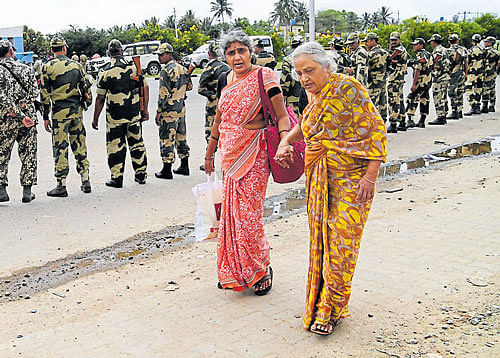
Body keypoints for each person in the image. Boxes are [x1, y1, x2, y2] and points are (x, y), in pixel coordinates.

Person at [275, 42, 387, 335]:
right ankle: (322, 305)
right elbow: (309, 125)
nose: (304, 78)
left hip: (353, 182)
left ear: (326, 66)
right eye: (299, 73)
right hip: (319, 180)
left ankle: (329, 310)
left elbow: (376, 130)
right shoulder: (315, 95)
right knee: (322, 244)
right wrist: (286, 141)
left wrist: (370, 178)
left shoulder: (348, 88)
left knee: (341, 246)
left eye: (309, 70)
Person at [204, 30, 291, 294]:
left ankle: (261, 268)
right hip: (229, 156)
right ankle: (235, 270)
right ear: (225, 57)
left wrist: (286, 142)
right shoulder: (224, 79)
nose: (237, 56)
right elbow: (219, 121)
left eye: (242, 50)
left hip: (254, 153)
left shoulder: (264, 76)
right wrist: (209, 153)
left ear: (251, 52)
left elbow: (282, 116)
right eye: (231, 52)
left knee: (249, 216)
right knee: (230, 216)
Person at [92, 39, 149, 188]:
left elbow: (100, 98)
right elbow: (144, 88)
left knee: (115, 146)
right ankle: (141, 175)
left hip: (114, 117)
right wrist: (145, 109)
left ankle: (117, 178)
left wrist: (95, 119)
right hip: (133, 114)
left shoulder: (105, 70)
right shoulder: (133, 66)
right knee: (137, 143)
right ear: (122, 50)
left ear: (109, 52)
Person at [40, 36, 91, 197]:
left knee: (60, 148)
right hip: (76, 112)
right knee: (79, 144)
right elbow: (86, 91)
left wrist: (45, 116)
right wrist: (85, 104)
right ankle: (85, 180)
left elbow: (44, 95)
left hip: (59, 114)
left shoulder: (47, 67)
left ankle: (61, 185)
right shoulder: (76, 66)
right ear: (65, 48)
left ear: (51, 50)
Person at [0, 40, 39, 203]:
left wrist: (15, 112)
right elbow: (34, 93)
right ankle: (27, 191)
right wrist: (23, 112)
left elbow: (2, 98)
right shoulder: (27, 69)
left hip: (6, 119)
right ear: (11, 51)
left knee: (2, 154)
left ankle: (2, 190)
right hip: (28, 119)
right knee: (28, 153)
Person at [154, 43, 193, 179]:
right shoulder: (182, 69)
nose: (159, 57)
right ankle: (184, 165)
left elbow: (163, 94)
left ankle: (166, 169)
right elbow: (189, 87)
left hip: (169, 110)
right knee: (181, 136)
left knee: (167, 138)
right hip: (180, 108)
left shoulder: (166, 71)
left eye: (161, 54)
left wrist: (159, 111)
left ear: (169, 54)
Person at [198, 42, 230, 145]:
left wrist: (214, 96)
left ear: (209, 53)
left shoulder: (209, 67)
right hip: (227, 105)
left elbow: (200, 89)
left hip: (213, 106)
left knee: (211, 134)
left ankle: (210, 158)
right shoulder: (228, 67)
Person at [405, 38, 433, 128]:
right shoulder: (428, 54)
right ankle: (422, 121)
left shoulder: (420, 55)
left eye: (415, 44)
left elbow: (418, 70)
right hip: (427, 80)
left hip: (420, 81)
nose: (414, 46)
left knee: (411, 98)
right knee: (424, 99)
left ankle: (410, 119)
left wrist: (413, 84)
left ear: (421, 45)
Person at [364, 32, 389, 122]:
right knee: (383, 102)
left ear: (373, 41)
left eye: (367, 41)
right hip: (382, 80)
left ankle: (373, 123)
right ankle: (383, 121)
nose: (366, 44)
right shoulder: (385, 52)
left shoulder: (370, 54)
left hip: (373, 82)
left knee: (372, 103)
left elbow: (366, 67)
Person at [387, 31, 408, 133]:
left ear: (399, 40)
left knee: (393, 100)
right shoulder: (400, 49)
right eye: (391, 40)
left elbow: (389, 59)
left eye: (395, 40)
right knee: (399, 99)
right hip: (398, 77)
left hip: (395, 77)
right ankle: (402, 122)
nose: (393, 42)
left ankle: (393, 123)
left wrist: (389, 56)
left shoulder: (399, 50)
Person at [428, 34, 450, 125]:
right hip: (445, 76)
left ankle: (440, 116)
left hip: (439, 77)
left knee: (438, 97)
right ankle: (443, 115)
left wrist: (431, 67)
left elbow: (438, 64)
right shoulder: (445, 50)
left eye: (431, 42)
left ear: (434, 42)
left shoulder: (437, 51)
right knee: (443, 96)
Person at [446, 34, 467, 120]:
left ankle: (454, 111)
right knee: (460, 91)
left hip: (452, 73)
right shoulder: (463, 49)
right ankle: (460, 111)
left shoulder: (448, 51)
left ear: (449, 41)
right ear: (457, 40)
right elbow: (466, 63)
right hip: (461, 72)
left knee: (451, 91)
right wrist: (466, 73)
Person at [280, 36, 303, 114]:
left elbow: (285, 81)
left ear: (292, 46)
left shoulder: (288, 60)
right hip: (310, 97)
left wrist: (283, 99)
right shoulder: (310, 58)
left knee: (296, 123)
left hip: (293, 99)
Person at [464, 34, 485, 116]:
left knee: (469, 88)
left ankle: (473, 106)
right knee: (478, 89)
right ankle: (478, 106)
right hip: (481, 71)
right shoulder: (483, 49)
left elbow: (467, 61)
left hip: (472, 72)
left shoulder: (471, 50)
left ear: (473, 41)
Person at [481, 36, 500, 113]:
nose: (485, 43)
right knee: (492, 89)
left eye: (487, 42)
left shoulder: (486, 51)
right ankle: (492, 105)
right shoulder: (497, 52)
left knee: (485, 88)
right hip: (493, 72)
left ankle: (485, 106)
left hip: (487, 72)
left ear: (490, 43)